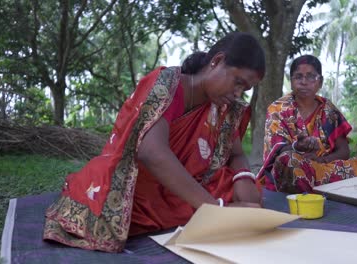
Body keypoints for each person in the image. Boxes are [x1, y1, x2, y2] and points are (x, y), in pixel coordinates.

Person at [43, 32, 266, 252]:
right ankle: (210, 211)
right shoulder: (167, 84)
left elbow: (236, 154)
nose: (238, 94)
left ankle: (208, 209)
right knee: (106, 205)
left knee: (246, 191)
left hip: (186, 184)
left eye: (244, 90)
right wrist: (214, 210)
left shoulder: (222, 108)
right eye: (238, 82)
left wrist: (243, 178)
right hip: (137, 183)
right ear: (217, 61)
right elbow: (151, 152)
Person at [257, 55, 357, 193]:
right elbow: (275, 151)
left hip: (326, 168)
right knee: (289, 161)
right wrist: (297, 147)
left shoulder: (329, 110)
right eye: (298, 77)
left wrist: (322, 160)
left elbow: (344, 151)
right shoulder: (278, 109)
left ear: (320, 82)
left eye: (311, 76)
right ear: (291, 80)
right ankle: (335, 187)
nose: (304, 82)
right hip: (296, 168)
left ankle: (322, 185)